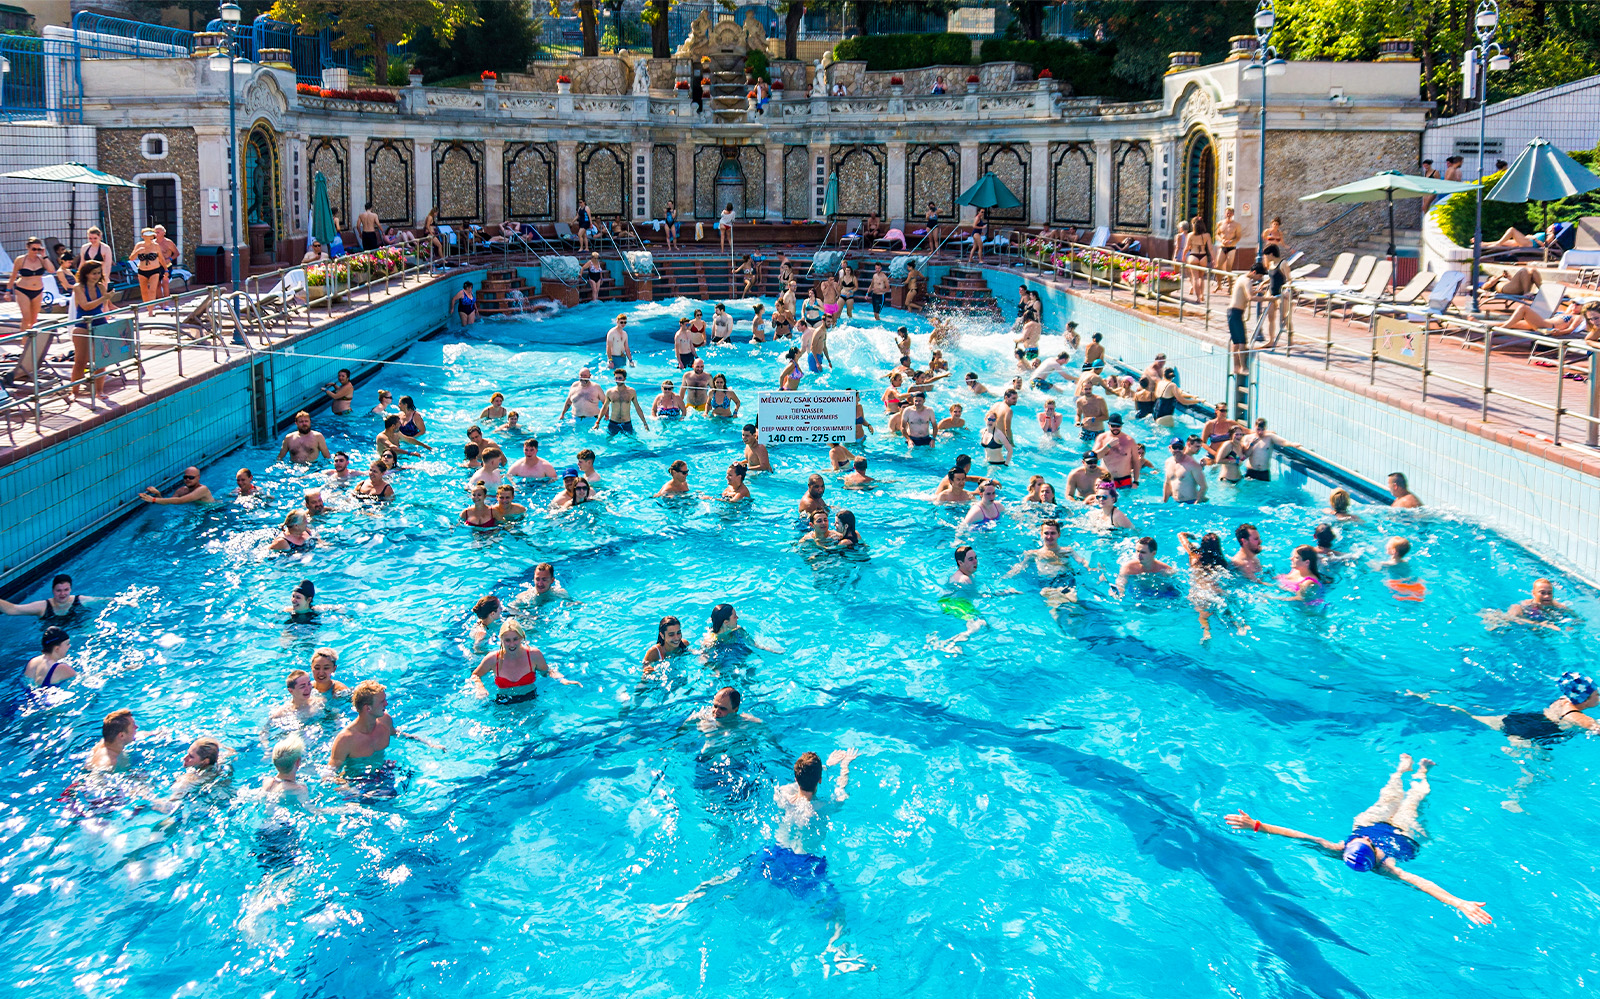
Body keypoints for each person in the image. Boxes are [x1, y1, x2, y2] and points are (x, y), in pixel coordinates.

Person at [1226, 754, 1492, 926]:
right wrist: (1459, 902)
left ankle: (1400, 772)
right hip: (1404, 834)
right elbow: (1421, 883)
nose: (1364, 839)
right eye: (1366, 843)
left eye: (1360, 841)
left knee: (1387, 796)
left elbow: (1299, 835)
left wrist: (1257, 825)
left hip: (1372, 821)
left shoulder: (1340, 847)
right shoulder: (1388, 867)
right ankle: (1421, 774)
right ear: (1374, 853)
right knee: (1414, 800)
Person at [1420, 672, 1599, 747]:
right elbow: (1595, 728)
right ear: (1584, 699)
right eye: (1596, 695)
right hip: (1532, 733)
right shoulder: (1578, 717)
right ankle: (1516, 800)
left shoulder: (1564, 700)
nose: (1599, 696)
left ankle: (1429, 702)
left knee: (1473, 717)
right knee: (1538, 774)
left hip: (1521, 719)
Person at [329, 680, 439, 775]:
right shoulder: (345, 740)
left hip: (382, 771)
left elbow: (399, 735)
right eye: (382, 701)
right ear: (368, 708)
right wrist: (348, 789)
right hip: (358, 781)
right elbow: (331, 773)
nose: (386, 704)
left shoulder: (385, 721)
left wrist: (430, 745)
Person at [471, 619, 576, 702]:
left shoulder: (533, 655)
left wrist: (562, 679)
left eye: (515, 639)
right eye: (507, 640)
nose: (512, 644)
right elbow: (475, 675)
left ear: (522, 637)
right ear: (501, 640)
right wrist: (480, 687)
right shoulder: (493, 659)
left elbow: (547, 671)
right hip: (503, 705)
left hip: (531, 701)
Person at [1007, 519, 1091, 610]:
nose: (1049, 536)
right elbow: (1020, 567)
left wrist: (1092, 569)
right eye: (1046, 533)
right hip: (1046, 583)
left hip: (1065, 580)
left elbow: (1082, 562)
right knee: (1055, 603)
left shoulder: (1068, 551)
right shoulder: (1033, 554)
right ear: (1041, 534)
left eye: (1053, 533)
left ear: (1059, 534)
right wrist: (1006, 576)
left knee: (1073, 600)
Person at [1177, 531, 1237, 640]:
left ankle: (1206, 631)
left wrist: (1192, 536)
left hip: (1201, 591)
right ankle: (1237, 624)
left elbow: (1181, 535)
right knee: (1227, 610)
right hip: (1218, 590)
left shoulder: (1194, 557)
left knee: (1202, 614)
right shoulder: (1223, 563)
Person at [1501, 577, 1579, 630]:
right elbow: (1513, 618)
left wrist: (1571, 626)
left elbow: (1577, 618)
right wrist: (1539, 624)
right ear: (1533, 593)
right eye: (1542, 593)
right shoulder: (1524, 605)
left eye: (1549, 593)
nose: (1547, 596)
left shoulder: (1556, 605)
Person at [1112, 536, 1177, 597]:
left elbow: (1175, 589)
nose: (1138, 555)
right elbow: (1120, 584)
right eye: (1137, 551)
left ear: (1153, 553)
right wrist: (1118, 592)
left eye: (1143, 552)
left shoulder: (1166, 570)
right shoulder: (1128, 567)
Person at [595, 369, 650, 435]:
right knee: (609, 442)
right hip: (613, 423)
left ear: (624, 378)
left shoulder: (631, 392)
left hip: (627, 423)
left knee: (633, 443)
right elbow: (604, 407)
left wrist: (645, 423)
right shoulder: (610, 392)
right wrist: (597, 422)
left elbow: (637, 408)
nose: (618, 380)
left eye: (620, 378)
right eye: (616, 378)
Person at [1162, 436, 1208, 504]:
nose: (1177, 450)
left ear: (1184, 449)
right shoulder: (1168, 462)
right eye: (1175, 447)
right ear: (1170, 448)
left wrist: (1196, 504)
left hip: (1190, 503)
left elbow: (1203, 487)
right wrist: (1164, 502)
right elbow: (1167, 483)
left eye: (1180, 448)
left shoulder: (1193, 465)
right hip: (1175, 502)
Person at [139, 467, 213, 505]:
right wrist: (157, 494)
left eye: (191, 477)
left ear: (198, 477)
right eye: (185, 477)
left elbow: (181, 500)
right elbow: (168, 502)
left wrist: (153, 499)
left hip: (214, 511)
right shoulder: (181, 490)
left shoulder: (203, 489)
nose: (187, 479)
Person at [1214, 207, 1242, 288]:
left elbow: (1238, 237)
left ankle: (1230, 286)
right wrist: (1221, 240)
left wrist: (1232, 242)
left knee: (1229, 267)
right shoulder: (1220, 223)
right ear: (1225, 214)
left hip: (1231, 247)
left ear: (1233, 214)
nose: (1228, 215)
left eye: (1230, 213)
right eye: (1227, 213)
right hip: (1223, 246)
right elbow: (1217, 234)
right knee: (1218, 266)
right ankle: (1219, 284)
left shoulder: (1237, 225)